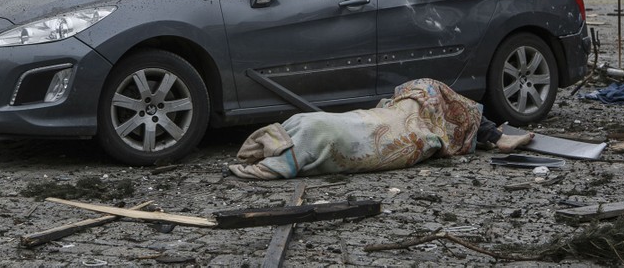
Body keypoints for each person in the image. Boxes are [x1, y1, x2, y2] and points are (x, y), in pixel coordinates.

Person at [229, 78, 534, 180]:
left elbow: (255, 168)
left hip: (383, 119)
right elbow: (266, 168)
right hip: (391, 126)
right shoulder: (301, 133)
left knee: (424, 96)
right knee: (427, 94)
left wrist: (244, 167)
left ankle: (492, 134)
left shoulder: (295, 128)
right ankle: (494, 135)